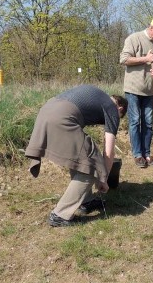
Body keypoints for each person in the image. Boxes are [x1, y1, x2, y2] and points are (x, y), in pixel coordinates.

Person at [25, 85, 128, 226]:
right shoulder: (112, 109)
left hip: (46, 111)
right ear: (120, 109)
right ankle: (60, 215)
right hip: (61, 117)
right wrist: (103, 178)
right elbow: (109, 151)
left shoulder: (99, 97)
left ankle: (86, 200)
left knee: (82, 157)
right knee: (92, 164)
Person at [119, 16, 153, 167]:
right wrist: (145, 59)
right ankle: (137, 155)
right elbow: (124, 60)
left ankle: (147, 154)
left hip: (149, 89)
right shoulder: (134, 38)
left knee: (148, 122)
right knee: (135, 121)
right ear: (152, 27)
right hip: (133, 88)